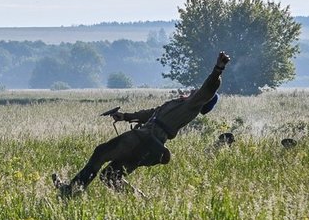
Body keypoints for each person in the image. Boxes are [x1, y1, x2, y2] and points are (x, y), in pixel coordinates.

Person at [54, 52, 230, 197]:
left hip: (143, 138)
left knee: (101, 152)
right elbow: (151, 113)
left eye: (198, 91)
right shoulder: (181, 105)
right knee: (110, 177)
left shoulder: (191, 106)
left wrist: (218, 69)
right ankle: (143, 203)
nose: (195, 90)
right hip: (150, 146)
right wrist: (125, 116)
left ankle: (70, 192)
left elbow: (209, 88)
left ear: (203, 99)